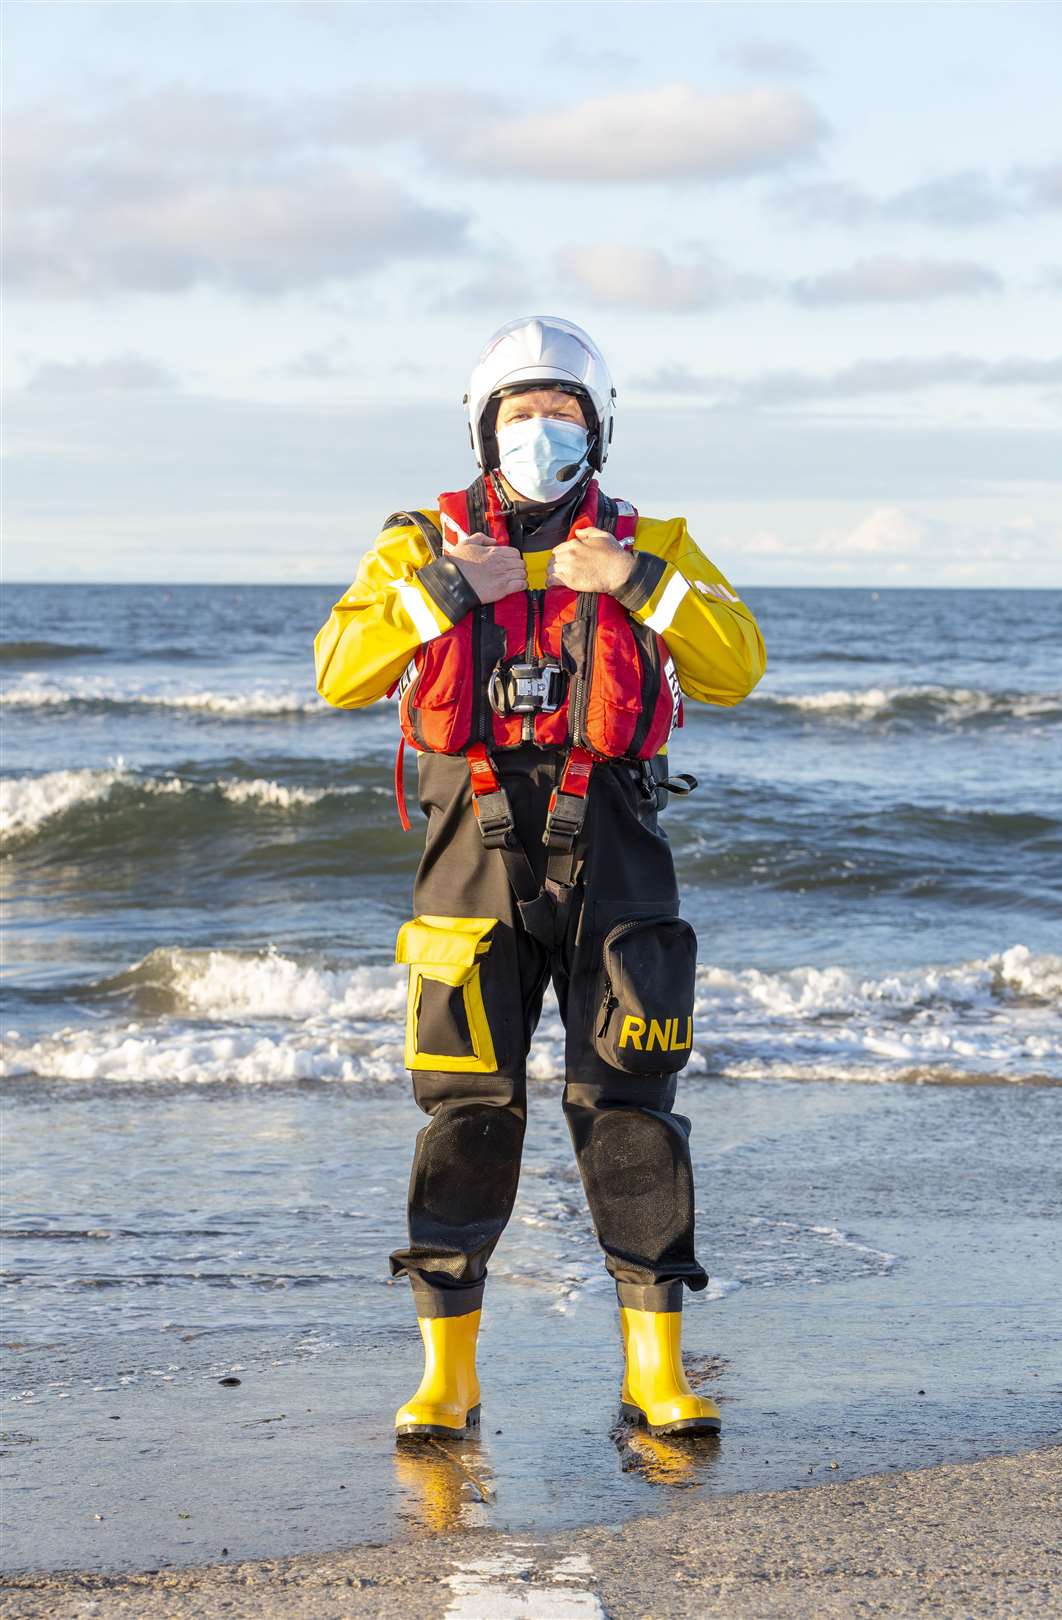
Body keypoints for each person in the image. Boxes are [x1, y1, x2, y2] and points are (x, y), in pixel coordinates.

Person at [313, 316, 766, 1441]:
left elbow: (738, 664)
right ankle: (447, 1379)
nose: (541, 432)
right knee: (466, 1105)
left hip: (614, 840)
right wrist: (439, 595)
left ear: (598, 429)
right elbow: (337, 671)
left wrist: (639, 583)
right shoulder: (418, 542)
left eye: (562, 413)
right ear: (483, 428)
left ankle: (655, 1372)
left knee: (630, 1108)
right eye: (521, 413)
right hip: (469, 840)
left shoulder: (652, 538)